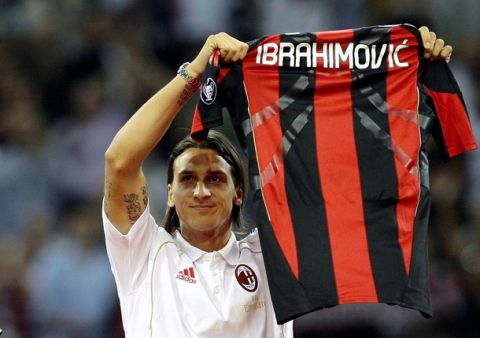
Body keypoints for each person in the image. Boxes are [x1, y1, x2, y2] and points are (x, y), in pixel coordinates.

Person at [102, 27, 453, 338]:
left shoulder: (275, 254)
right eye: (188, 178)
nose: (202, 190)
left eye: (216, 178)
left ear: (239, 193)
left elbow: (350, 168)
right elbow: (120, 161)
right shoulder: (145, 254)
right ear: (170, 195)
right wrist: (195, 72)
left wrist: (401, 67)